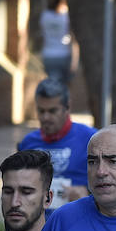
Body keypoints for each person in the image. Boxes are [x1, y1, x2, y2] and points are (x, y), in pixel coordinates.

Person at [19, 78, 94, 207]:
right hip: (39, 221)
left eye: (52, 111)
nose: (45, 117)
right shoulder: (28, 143)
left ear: (67, 107)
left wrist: (87, 193)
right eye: (41, 111)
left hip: (78, 216)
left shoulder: (91, 139)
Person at [39, 0, 77, 83]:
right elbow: (73, 41)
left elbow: (43, 36)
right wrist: (74, 62)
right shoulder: (67, 17)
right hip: (64, 56)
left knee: (53, 87)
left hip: (48, 56)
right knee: (64, 88)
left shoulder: (45, 16)